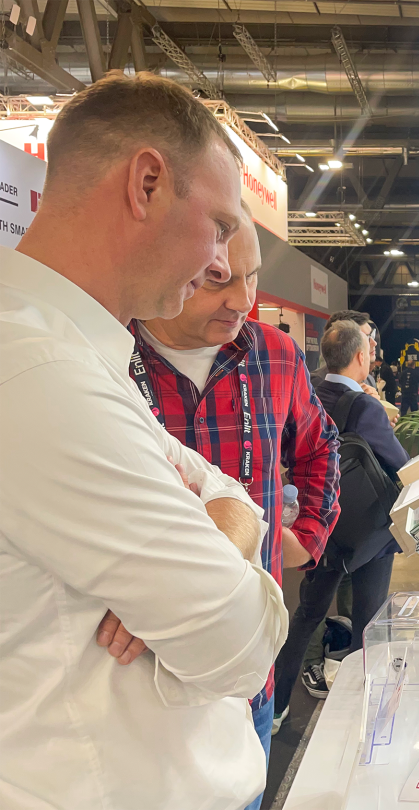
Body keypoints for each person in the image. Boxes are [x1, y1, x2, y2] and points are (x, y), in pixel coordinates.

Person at [0, 73, 289, 810]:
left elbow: (231, 494)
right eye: (219, 226)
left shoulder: (69, 355)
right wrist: (219, 548)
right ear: (148, 184)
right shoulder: (38, 373)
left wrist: (217, 528)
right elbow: (241, 640)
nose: (219, 265)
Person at [130, 202, 342, 802]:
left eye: (252, 277)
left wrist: (306, 537)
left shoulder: (273, 354)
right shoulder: (107, 358)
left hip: (249, 670)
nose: (242, 300)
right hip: (140, 678)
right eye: (218, 279)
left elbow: (320, 445)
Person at [273, 322, 410, 729]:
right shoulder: (366, 408)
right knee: (368, 623)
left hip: (318, 528)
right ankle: (360, 712)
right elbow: (401, 464)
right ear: (360, 357)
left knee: (307, 615)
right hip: (368, 534)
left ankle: (276, 706)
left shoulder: (310, 392)